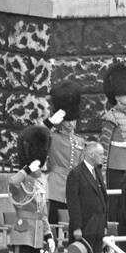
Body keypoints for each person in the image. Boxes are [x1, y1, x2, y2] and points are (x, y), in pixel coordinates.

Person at [8, 125, 54, 253]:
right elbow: (12, 183)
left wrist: (48, 235)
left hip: (36, 234)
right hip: (22, 230)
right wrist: (26, 168)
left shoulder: (43, 180)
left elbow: (43, 213)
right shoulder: (24, 178)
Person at [65, 141, 108, 253]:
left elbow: (104, 198)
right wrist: (76, 226)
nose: (103, 157)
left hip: (98, 223)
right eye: (100, 154)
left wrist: (105, 222)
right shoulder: (76, 173)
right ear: (91, 154)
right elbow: (73, 202)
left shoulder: (97, 172)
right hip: (84, 224)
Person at [99, 61, 126, 221]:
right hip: (115, 166)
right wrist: (102, 171)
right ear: (117, 96)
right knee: (114, 203)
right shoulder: (111, 118)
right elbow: (104, 146)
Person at [46, 80, 83, 229]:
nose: (70, 124)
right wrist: (50, 122)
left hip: (74, 183)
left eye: (72, 120)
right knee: (54, 220)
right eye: (66, 121)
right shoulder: (52, 137)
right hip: (56, 183)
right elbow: (37, 135)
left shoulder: (80, 140)